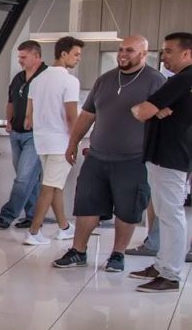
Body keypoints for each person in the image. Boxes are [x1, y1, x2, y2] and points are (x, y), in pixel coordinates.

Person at [53, 36, 165, 272]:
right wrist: (72, 142)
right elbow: (87, 115)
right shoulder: (104, 80)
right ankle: (78, 251)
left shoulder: (155, 81)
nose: (123, 54)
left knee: (128, 209)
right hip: (97, 157)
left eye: (130, 50)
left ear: (144, 54)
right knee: (87, 205)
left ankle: (117, 254)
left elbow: (165, 118)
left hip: (134, 160)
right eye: (121, 49)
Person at [129, 32, 192, 293]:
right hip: (165, 155)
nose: (163, 56)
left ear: (186, 53)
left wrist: (150, 108)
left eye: (168, 51)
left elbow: (140, 111)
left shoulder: (183, 80)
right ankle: (162, 264)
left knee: (170, 215)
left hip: (170, 156)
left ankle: (170, 274)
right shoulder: (179, 81)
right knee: (166, 214)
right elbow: (145, 110)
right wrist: (153, 109)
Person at [23, 36, 84, 246]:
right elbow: (71, 116)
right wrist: (74, 142)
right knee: (49, 187)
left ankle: (64, 227)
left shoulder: (37, 80)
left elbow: (28, 116)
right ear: (64, 53)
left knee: (54, 185)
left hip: (42, 141)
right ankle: (33, 231)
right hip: (61, 142)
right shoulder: (70, 81)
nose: (78, 59)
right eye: (76, 55)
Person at [0, 41, 48, 229]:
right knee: (28, 177)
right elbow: (11, 101)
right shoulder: (18, 78)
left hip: (36, 135)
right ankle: (33, 216)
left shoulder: (46, 77)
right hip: (16, 133)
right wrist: (8, 120)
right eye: (19, 57)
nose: (20, 61)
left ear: (36, 56)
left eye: (24, 57)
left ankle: (7, 216)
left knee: (24, 177)